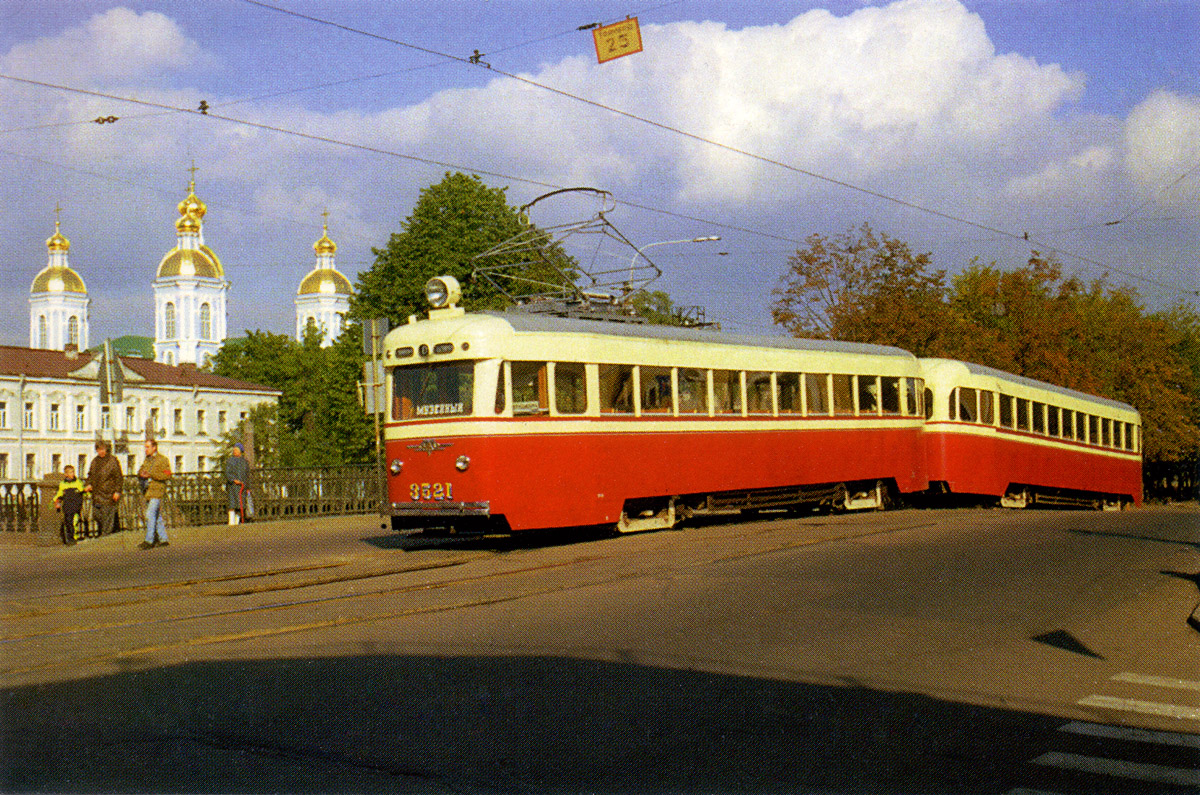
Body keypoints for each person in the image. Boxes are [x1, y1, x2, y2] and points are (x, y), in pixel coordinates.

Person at [137, 439, 172, 550]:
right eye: (145, 447)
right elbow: (142, 469)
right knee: (156, 516)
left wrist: (151, 474)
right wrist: (141, 473)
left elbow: (167, 475)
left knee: (150, 514)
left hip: (157, 491)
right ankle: (163, 539)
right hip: (148, 490)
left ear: (154, 447)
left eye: (147, 447)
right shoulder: (147, 460)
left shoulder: (162, 460)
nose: (145, 450)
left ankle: (149, 540)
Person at [84, 439, 122, 537]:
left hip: (109, 493)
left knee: (107, 517)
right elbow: (90, 475)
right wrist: (88, 484)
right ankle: (106, 533)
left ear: (106, 449)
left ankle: (106, 538)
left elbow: (118, 477)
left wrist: (117, 491)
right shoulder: (95, 461)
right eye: (99, 449)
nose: (101, 451)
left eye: (103, 449)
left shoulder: (112, 461)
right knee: (96, 515)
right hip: (97, 494)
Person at [54, 465, 86, 545]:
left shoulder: (78, 482)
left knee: (74, 522)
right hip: (67, 506)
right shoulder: (63, 484)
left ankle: (73, 538)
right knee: (68, 522)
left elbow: (82, 491)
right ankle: (69, 538)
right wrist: (56, 501)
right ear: (66, 474)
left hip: (76, 505)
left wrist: (85, 492)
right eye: (70, 472)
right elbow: (60, 494)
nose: (73, 474)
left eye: (73, 472)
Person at [224, 443, 250, 525]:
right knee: (232, 504)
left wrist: (247, 486)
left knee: (240, 505)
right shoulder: (230, 461)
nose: (234, 451)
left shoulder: (244, 462)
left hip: (242, 486)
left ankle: (237, 521)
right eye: (234, 450)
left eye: (236, 450)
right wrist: (233, 480)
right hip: (232, 486)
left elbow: (247, 474)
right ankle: (231, 522)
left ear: (240, 451)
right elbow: (227, 473)